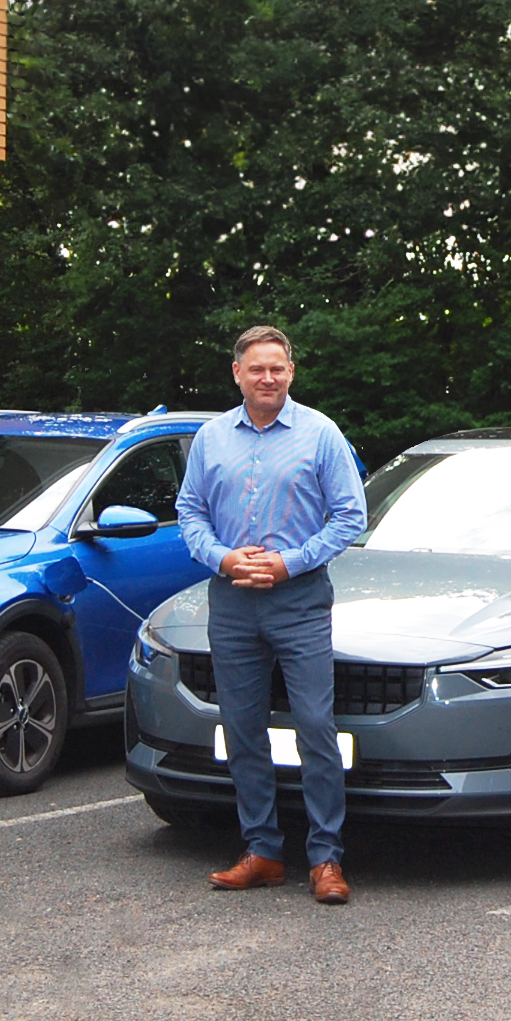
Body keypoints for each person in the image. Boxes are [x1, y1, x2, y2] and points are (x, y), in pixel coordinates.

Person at [176, 324, 368, 904]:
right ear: (237, 373)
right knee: (242, 728)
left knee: (314, 726)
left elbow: (349, 517)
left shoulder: (321, 434)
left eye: (277, 369)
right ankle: (262, 851)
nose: (268, 378)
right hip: (232, 602)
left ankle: (326, 860)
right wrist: (223, 557)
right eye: (256, 369)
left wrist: (288, 563)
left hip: (299, 600)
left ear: (291, 372)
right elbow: (189, 512)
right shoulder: (211, 437)